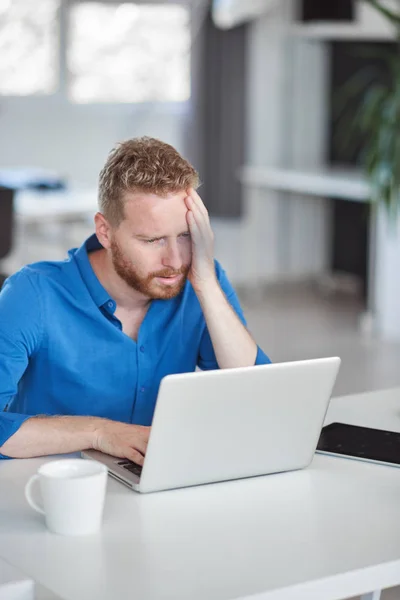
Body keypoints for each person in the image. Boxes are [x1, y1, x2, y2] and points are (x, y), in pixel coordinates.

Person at [0, 137, 270, 463]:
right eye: (152, 240)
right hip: (52, 489)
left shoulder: (199, 280)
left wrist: (206, 285)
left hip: (155, 484)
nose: (174, 259)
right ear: (105, 232)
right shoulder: (32, 294)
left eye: (185, 236)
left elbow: (256, 393)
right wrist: (99, 433)